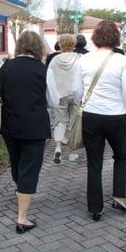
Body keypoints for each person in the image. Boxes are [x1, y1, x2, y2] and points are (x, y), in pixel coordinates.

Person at [0, 31, 59, 234]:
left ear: (18, 46)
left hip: (9, 125)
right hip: (35, 126)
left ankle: (21, 192)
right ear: (38, 48)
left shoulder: (5, 66)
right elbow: (53, 101)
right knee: (30, 168)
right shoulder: (44, 70)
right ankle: (22, 218)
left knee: (16, 162)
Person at [72, 20, 126, 222]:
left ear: (95, 37)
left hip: (91, 116)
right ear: (115, 38)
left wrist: (82, 103)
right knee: (121, 156)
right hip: (116, 116)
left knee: (94, 163)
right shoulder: (122, 61)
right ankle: (119, 196)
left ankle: (95, 208)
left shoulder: (83, 60)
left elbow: (77, 90)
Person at [48, 34, 81, 164]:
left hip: (59, 95)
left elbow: (49, 78)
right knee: (74, 123)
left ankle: (58, 148)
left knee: (60, 122)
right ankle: (73, 152)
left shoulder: (54, 60)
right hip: (76, 94)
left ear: (60, 44)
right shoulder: (79, 59)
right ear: (74, 44)